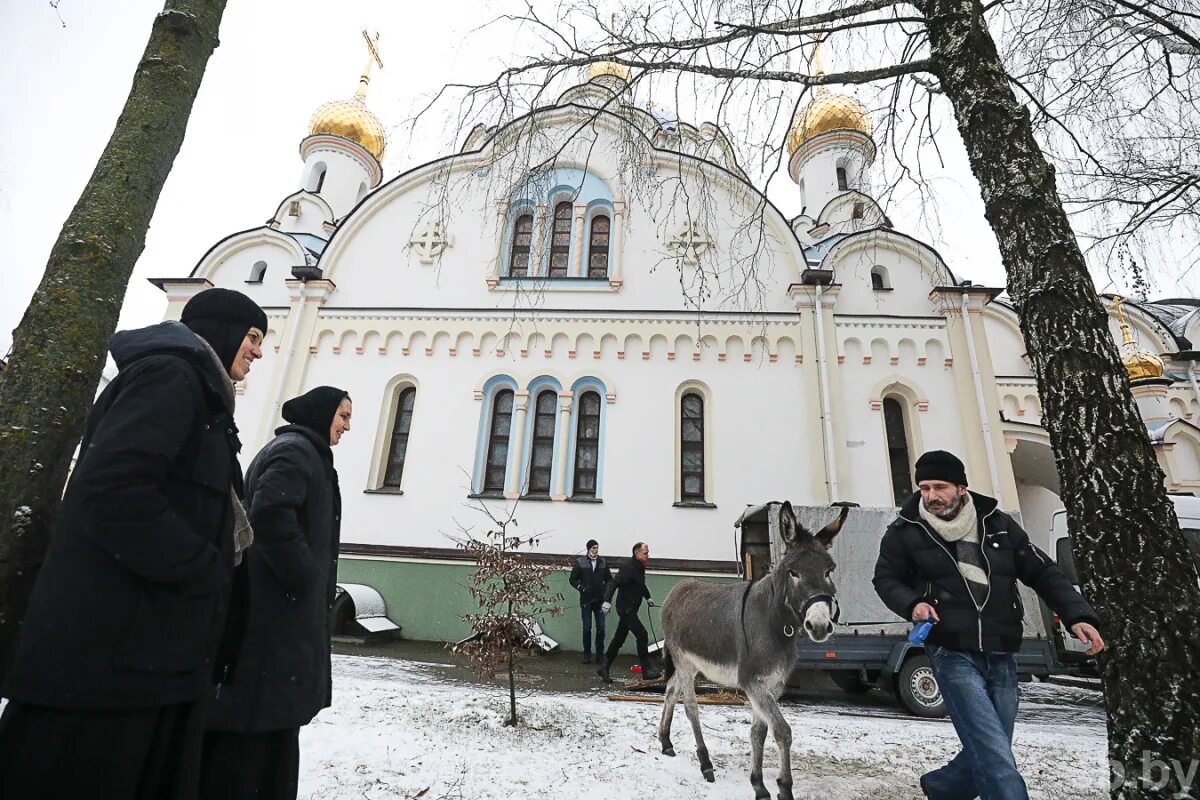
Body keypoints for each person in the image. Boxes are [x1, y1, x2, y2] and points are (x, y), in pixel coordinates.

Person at [0, 288, 267, 800]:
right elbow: (113, 489)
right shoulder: (170, 378)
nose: (257, 351)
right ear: (224, 330)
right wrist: (203, 568)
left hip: (142, 656)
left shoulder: (200, 393)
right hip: (107, 661)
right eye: (253, 337)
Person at [873, 450, 1104, 800]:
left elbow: (1041, 571)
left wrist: (1078, 616)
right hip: (951, 651)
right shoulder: (907, 531)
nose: (931, 496)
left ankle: (943, 788)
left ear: (961, 487)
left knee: (992, 743)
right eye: (924, 488)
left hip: (1002, 650)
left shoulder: (998, 524)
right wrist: (913, 604)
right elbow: (885, 579)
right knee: (995, 755)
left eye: (940, 487)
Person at [199, 386, 351, 800]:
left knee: (275, 724)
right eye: (342, 416)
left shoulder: (304, 452)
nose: (347, 426)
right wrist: (304, 577)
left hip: (282, 613)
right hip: (274, 614)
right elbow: (268, 513)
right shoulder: (296, 452)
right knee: (258, 722)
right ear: (322, 415)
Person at [596, 542, 660, 683]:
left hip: (631, 608)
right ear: (637, 553)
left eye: (648, 552)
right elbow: (613, 583)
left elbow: (640, 584)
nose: (648, 555)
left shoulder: (639, 568)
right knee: (642, 634)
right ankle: (646, 670)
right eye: (645, 553)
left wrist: (648, 596)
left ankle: (604, 667)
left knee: (619, 639)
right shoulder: (628, 567)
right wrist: (607, 601)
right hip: (625, 609)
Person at [569, 539, 612, 664]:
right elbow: (572, 579)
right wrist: (581, 588)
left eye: (597, 548)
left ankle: (600, 654)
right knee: (587, 628)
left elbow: (609, 579)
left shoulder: (603, 562)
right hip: (586, 600)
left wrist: (606, 593)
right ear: (588, 549)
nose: (596, 550)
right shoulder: (580, 562)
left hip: (599, 600)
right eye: (593, 548)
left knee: (601, 628)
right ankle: (587, 654)